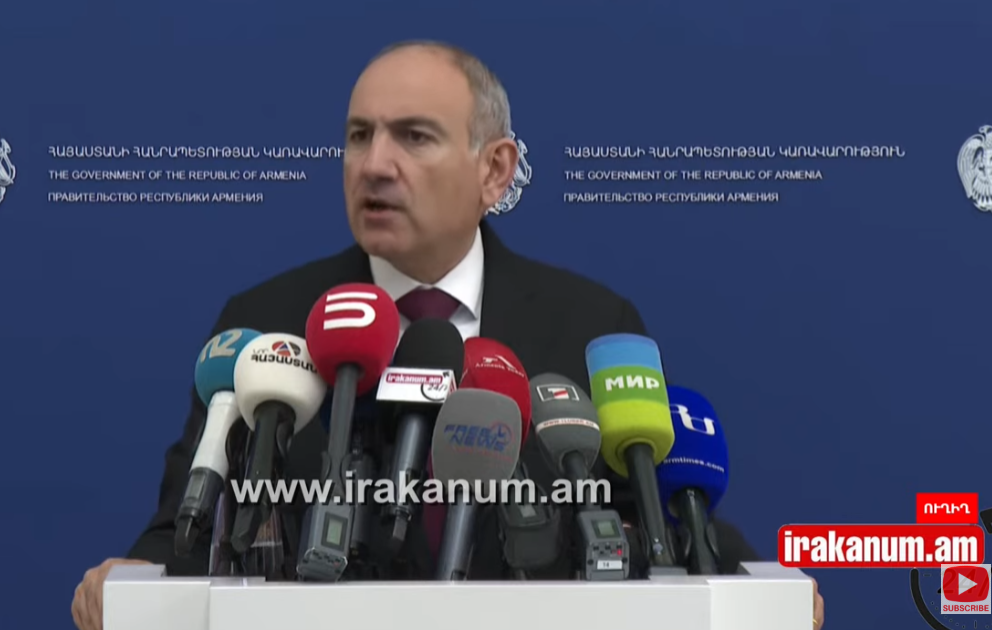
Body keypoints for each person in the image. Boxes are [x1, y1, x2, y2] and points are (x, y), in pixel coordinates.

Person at [71, 40, 825, 630]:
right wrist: (129, 580)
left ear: (494, 171)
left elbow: (663, 521)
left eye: (414, 137)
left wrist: (755, 587)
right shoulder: (268, 320)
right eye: (359, 136)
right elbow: (184, 530)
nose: (375, 165)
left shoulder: (591, 325)